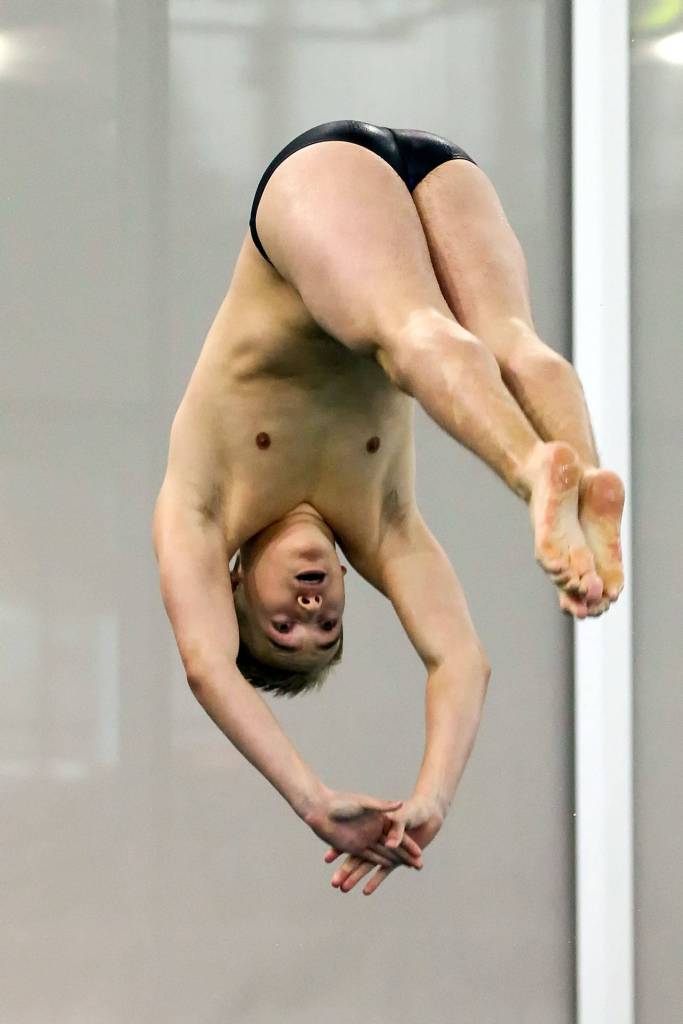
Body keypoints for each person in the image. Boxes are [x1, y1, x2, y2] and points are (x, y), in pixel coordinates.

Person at [153, 120, 625, 896]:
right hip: (438, 168)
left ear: (231, 584)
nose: (311, 607)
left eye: (283, 624)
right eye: (327, 624)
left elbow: (207, 667)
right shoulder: (380, 524)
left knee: (414, 335)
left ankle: (537, 469)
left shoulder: (204, 506)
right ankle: (578, 478)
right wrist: (432, 795)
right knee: (510, 345)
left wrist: (311, 800)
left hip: (313, 186)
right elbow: (459, 660)